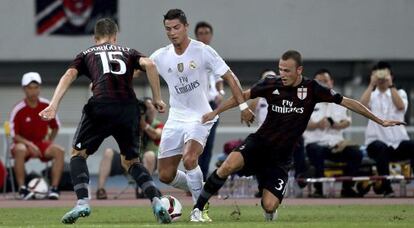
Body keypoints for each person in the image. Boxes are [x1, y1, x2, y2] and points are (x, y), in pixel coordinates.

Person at [191, 50, 404, 222]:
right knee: (228, 165)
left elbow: (348, 102)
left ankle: (267, 194)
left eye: (287, 70)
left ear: (299, 70)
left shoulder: (313, 89)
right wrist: (215, 112)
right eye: (280, 69)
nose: (282, 73)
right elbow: (242, 95)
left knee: (269, 205)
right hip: (260, 143)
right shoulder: (271, 83)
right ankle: (197, 210)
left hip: (281, 157)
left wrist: (380, 120)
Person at [39, 18, 171, 224]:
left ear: (95, 37)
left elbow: (69, 74)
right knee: (131, 161)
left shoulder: (86, 53)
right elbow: (151, 65)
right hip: (129, 108)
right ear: (115, 37)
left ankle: (83, 201)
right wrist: (157, 98)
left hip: (101, 105)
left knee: (78, 154)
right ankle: (157, 201)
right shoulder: (128, 51)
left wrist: (54, 104)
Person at [150, 9, 254, 222]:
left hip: (201, 116)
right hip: (176, 117)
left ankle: (200, 209)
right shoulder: (161, 55)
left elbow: (230, 77)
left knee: (190, 159)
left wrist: (243, 107)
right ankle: (203, 188)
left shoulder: (203, 51)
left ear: (186, 26)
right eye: (168, 29)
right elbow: (141, 67)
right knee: (165, 175)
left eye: (176, 27)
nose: (172, 32)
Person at [303, 69, 363, 198]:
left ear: (331, 82)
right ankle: (318, 189)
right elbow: (301, 123)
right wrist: (317, 124)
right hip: (315, 143)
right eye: (319, 82)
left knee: (356, 153)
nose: (323, 84)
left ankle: (347, 188)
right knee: (316, 151)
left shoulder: (340, 101)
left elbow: (346, 122)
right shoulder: (306, 102)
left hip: (336, 145)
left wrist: (334, 124)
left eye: (325, 81)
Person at [360, 61, 414, 197]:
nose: (381, 76)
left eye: (384, 73)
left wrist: (390, 85)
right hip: (376, 143)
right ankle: (387, 188)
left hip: (398, 142)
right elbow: (361, 107)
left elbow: (401, 106)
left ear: (391, 75)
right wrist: (371, 84)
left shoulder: (399, 92)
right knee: (381, 149)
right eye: (378, 73)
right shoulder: (371, 95)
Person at [9, 72, 64, 200]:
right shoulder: (18, 109)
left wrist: (49, 141)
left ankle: (54, 189)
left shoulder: (47, 105)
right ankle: (22, 189)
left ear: (40, 88)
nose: (33, 91)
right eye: (29, 88)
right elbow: (14, 135)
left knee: (60, 151)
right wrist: (30, 145)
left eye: (36, 87)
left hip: (41, 143)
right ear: (24, 89)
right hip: (23, 144)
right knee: (20, 149)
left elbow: (55, 126)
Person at [96, 97, 164, 199]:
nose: (148, 111)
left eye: (150, 108)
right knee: (108, 152)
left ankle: (145, 189)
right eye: (145, 108)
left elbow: (156, 135)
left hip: (150, 161)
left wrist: (144, 125)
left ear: (155, 110)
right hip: (130, 159)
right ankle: (100, 190)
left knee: (148, 155)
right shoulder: (132, 122)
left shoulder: (158, 125)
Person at [194, 21, 225, 180]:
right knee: (195, 143)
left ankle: (203, 178)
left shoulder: (213, 54)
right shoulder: (192, 54)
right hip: (197, 105)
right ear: (196, 35)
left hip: (212, 105)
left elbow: (220, 77)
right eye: (201, 33)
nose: (204, 36)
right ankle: (193, 177)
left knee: (209, 143)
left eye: (207, 33)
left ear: (211, 35)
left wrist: (220, 92)